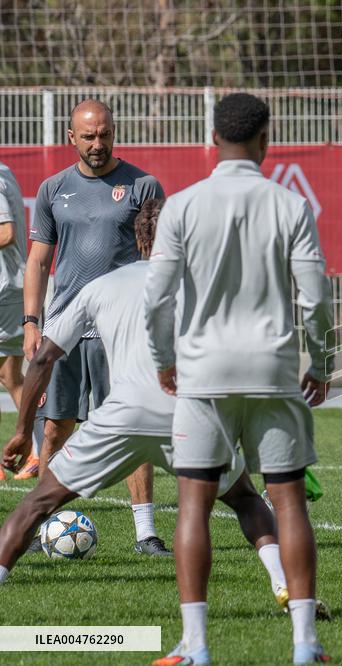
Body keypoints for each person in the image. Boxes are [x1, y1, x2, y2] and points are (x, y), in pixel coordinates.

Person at [0, 199, 315, 623]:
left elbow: (41, 360)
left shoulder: (101, 287)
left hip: (120, 418)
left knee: (37, 503)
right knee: (243, 498)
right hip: (188, 417)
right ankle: (283, 584)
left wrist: (23, 431)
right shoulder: (207, 287)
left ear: (138, 238)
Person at [145, 93, 333, 665]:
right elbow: (317, 298)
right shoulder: (292, 205)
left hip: (202, 372)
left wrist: (163, 358)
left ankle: (196, 647)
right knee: (290, 503)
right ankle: (305, 644)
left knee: (194, 506)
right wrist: (321, 362)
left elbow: (157, 299)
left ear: (212, 140)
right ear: (265, 140)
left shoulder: (181, 206)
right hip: (273, 371)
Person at [24, 99, 168, 556]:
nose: (97, 143)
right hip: (64, 327)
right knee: (54, 430)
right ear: (72, 138)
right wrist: (31, 322)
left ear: (113, 133)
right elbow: (39, 260)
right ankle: (35, 527)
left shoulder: (143, 185)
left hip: (118, 330)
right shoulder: (52, 189)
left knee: (133, 426)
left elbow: (156, 259)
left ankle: (145, 533)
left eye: (104, 134)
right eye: (88, 136)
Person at [0, 160, 27, 481]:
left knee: (12, 374)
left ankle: (37, 450)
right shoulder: (5, 170)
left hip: (5, 290)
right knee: (10, 374)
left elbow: (5, 232)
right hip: (12, 288)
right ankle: (35, 451)